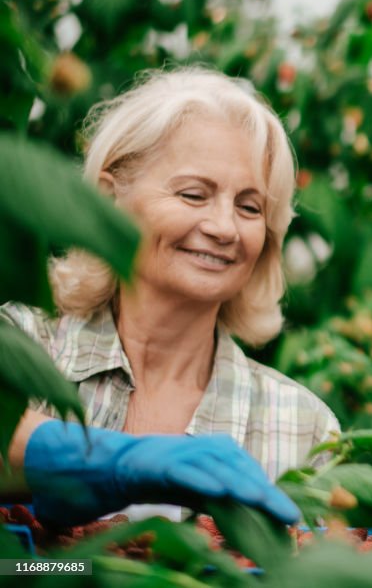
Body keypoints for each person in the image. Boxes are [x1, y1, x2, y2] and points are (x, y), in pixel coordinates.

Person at [2, 66, 340, 526]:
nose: (224, 228)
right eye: (194, 194)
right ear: (108, 199)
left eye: (248, 207)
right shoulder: (22, 343)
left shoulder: (305, 427)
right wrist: (114, 460)